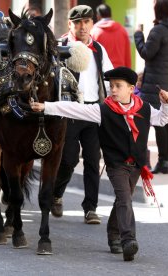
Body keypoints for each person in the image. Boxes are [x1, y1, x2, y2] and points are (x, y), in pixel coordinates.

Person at [30, 66, 168, 261]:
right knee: (124, 198)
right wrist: (47, 106)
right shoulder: (103, 110)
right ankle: (128, 240)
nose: (113, 90)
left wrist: (166, 104)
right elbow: (75, 109)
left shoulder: (145, 108)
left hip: (137, 165)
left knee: (123, 200)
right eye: (111, 86)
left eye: (118, 86)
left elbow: (163, 120)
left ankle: (113, 234)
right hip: (116, 165)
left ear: (131, 89)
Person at [51, 5, 113, 224]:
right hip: (69, 111)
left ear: (92, 24)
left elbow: (109, 79)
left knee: (92, 161)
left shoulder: (99, 50)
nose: (83, 26)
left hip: (93, 111)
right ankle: (56, 195)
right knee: (68, 160)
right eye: (78, 22)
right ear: (70, 24)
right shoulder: (59, 48)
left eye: (86, 22)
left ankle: (91, 208)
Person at [134, 0, 168, 175]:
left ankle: (163, 161)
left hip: (156, 82)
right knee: (167, 120)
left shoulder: (158, 30)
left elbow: (146, 53)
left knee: (159, 122)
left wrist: (138, 35)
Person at [90, 4, 131, 68]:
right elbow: (127, 56)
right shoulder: (122, 30)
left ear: (98, 15)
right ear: (111, 15)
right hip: (120, 72)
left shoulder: (94, 32)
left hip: (103, 73)